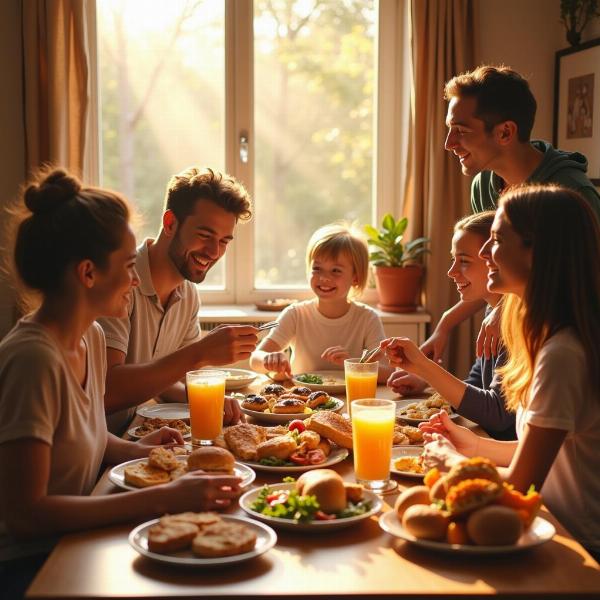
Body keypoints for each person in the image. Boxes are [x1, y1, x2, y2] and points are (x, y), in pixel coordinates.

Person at [0, 169, 242, 596]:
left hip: (78, 534)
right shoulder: (33, 359)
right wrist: (160, 498)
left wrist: (144, 450)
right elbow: (26, 515)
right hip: (31, 562)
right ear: (88, 273)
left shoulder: (89, 337)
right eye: (129, 266)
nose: (136, 278)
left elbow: (91, 435)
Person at [382, 184, 600, 558]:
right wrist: (474, 446)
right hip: (542, 526)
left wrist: (453, 464)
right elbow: (553, 453)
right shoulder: (548, 339)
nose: (485, 252)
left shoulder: (563, 354)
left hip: (575, 545)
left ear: (538, 252)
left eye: (496, 240)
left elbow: (520, 485)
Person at [422, 65, 600, 363]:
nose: (449, 144)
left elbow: (584, 283)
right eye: (449, 129)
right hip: (516, 339)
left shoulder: (571, 194)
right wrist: (445, 325)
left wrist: (506, 307)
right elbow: (489, 272)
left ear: (505, 132)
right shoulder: (483, 186)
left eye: (462, 131)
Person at [99, 167, 260, 434]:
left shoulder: (188, 295)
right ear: (170, 223)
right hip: (101, 453)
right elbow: (107, 391)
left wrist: (208, 399)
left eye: (224, 241)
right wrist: (199, 353)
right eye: (205, 236)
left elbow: (164, 380)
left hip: (137, 438)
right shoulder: (121, 283)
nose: (214, 252)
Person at [387, 211, 515, 440]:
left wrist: (426, 368)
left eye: (464, 261)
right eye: (453, 259)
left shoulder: (513, 325)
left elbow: (497, 414)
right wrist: (426, 380)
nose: (451, 271)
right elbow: (477, 381)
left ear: (496, 259)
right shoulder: (492, 312)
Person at [250, 223, 392, 381]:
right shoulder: (295, 314)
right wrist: (268, 360)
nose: (324, 277)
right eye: (317, 268)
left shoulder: (367, 318)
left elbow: (388, 371)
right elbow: (255, 358)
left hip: (349, 397)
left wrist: (352, 363)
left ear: (356, 277)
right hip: (302, 399)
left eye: (336, 271)